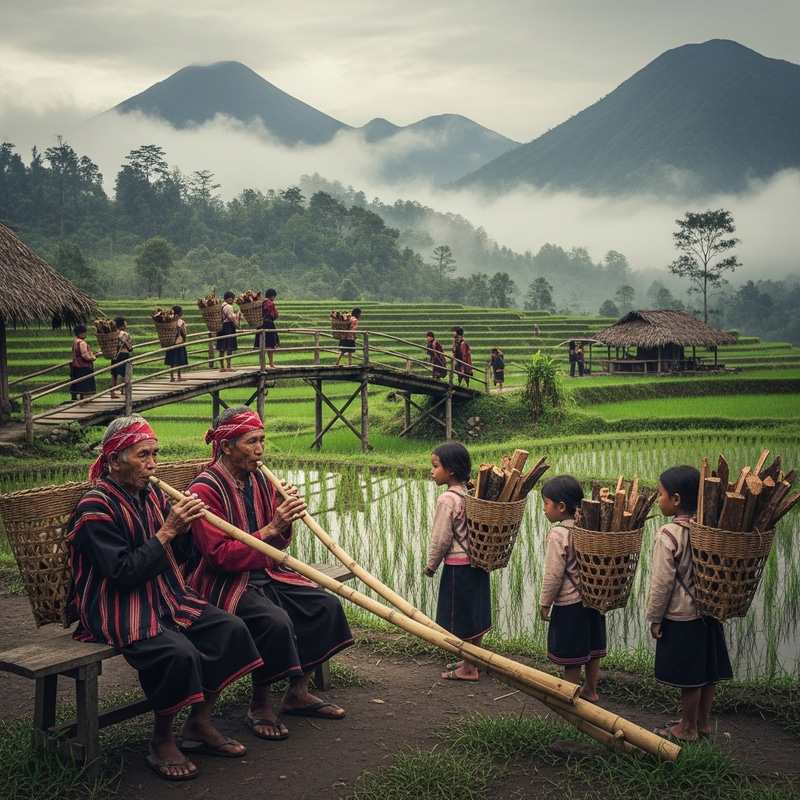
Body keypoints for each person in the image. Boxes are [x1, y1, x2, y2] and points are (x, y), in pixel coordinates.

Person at [67, 416, 262, 782]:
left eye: (155, 454)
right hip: (116, 606)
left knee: (230, 630)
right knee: (179, 652)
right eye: (143, 455)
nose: (154, 464)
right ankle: (161, 740)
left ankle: (198, 724)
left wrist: (185, 528)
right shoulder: (95, 507)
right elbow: (121, 573)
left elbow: (183, 555)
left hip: (166, 596)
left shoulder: (153, 494)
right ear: (114, 461)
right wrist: (169, 529)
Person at [187, 407, 353, 740]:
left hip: (265, 571)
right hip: (225, 582)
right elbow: (219, 557)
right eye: (252, 442)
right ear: (226, 446)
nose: (261, 449)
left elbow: (277, 542)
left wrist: (285, 517)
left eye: (263, 440)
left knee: (325, 606)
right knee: (274, 622)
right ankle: (259, 704)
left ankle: (297, 693)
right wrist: (273, 525)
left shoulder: (259, 478)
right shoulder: (204, 490)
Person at [647, 465, 733, 743]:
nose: (657, 499)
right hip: (710, 611)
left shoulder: (669, 534)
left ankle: (687, 727)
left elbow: (662, 584)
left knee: (690, 675)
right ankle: (702, 722)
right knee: (707, 671)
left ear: (676, 499)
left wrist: (655, 617)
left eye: (660, 494)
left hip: (683, 614)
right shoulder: (710, 529)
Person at [423, 442, 489, 682]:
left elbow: (440, 539)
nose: (432, 470)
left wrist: (431, 565)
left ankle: (469, 669)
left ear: (450, 470)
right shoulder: (471, 495)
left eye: (435, 466)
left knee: (461, 618)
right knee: (475, 616)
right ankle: (472, 660)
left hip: (458, 567)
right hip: (478, 563)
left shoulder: (448, 500)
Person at [539, 474, 606, 702]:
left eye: (546, 504)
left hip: (571, 603)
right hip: (593, 598)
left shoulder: (558, 534)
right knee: (592, 646)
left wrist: (545, 603)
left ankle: (570, 695)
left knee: (574, 654)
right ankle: (590, 689)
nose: (544, 509)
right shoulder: (587, 529)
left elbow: (553, 576)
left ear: (561, 506)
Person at [254, 288, 280, 368]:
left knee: (262, 345)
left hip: (260, 324)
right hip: (268, 324)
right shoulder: (270, 303)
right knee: (270, 345)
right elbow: (273, 315)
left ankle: (262, 363)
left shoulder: (260, 303)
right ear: (272, 296)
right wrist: (277, 314)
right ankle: (271, 363)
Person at [217, 291, 242, 372]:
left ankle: (222, 366)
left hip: (221, 327)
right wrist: (238, 315)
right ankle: (229, 365)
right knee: (229, 347)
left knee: (221, 348)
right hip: (228, 327)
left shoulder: (221, 306)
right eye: (231, 299)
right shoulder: (229, 307)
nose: (231, 301)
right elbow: (232, 317)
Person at [70, 324, 97, 401]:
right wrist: (92, 358)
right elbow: (85, 355)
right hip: (83, 366)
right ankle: (84, 400)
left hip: (76, 366)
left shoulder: (75, 342)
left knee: (77, 382)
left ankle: (75, 398)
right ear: (81, 333)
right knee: (84, 384)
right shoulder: (82, 343)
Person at [109, 317, 133, 399]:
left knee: (114, 374)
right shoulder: (125, 334)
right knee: (125, 374)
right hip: (123, 354)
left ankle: (112, 392)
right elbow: (130, 347)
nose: (126, 323)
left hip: (114, 354)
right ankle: (123, 390)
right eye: (125, 322)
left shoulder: (112, 333)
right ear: (122, 324)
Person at [165, 305, 188, 382]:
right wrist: (184, 339)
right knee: (179, 360)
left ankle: (171, 376)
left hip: (170, 342)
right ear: (180, 313)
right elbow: (184, 333)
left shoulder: (169, 321)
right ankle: (179, 376)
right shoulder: (181, 322)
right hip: (178, 342)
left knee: (172, 360)